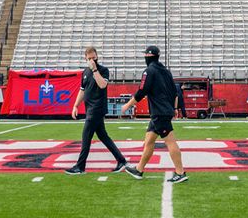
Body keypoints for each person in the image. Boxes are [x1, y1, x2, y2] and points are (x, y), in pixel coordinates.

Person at [68, 48, 141, 177]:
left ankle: (80, 166)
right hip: (89, 108)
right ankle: (122, 161)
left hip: (97, 108)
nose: (92, 60)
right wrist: (75, 105)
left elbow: (102, 85)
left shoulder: (103, 70)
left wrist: (95, 69)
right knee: (103, 137)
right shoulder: (85, 72)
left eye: (94, 58)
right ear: (85, 58)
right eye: (89, 58)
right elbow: (82, 90)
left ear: (97, 57)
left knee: (86, 136)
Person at [129, 47, 188, 182]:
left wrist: (128, 104)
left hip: (159, 112)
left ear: (148, 56)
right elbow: (174, 92)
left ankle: (180, 172)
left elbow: (142, 91)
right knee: (149, 141)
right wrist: (173, 108)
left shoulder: (149, 71)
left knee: (170, 141)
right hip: (163, 111)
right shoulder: (166, 72)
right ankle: (139, 169)